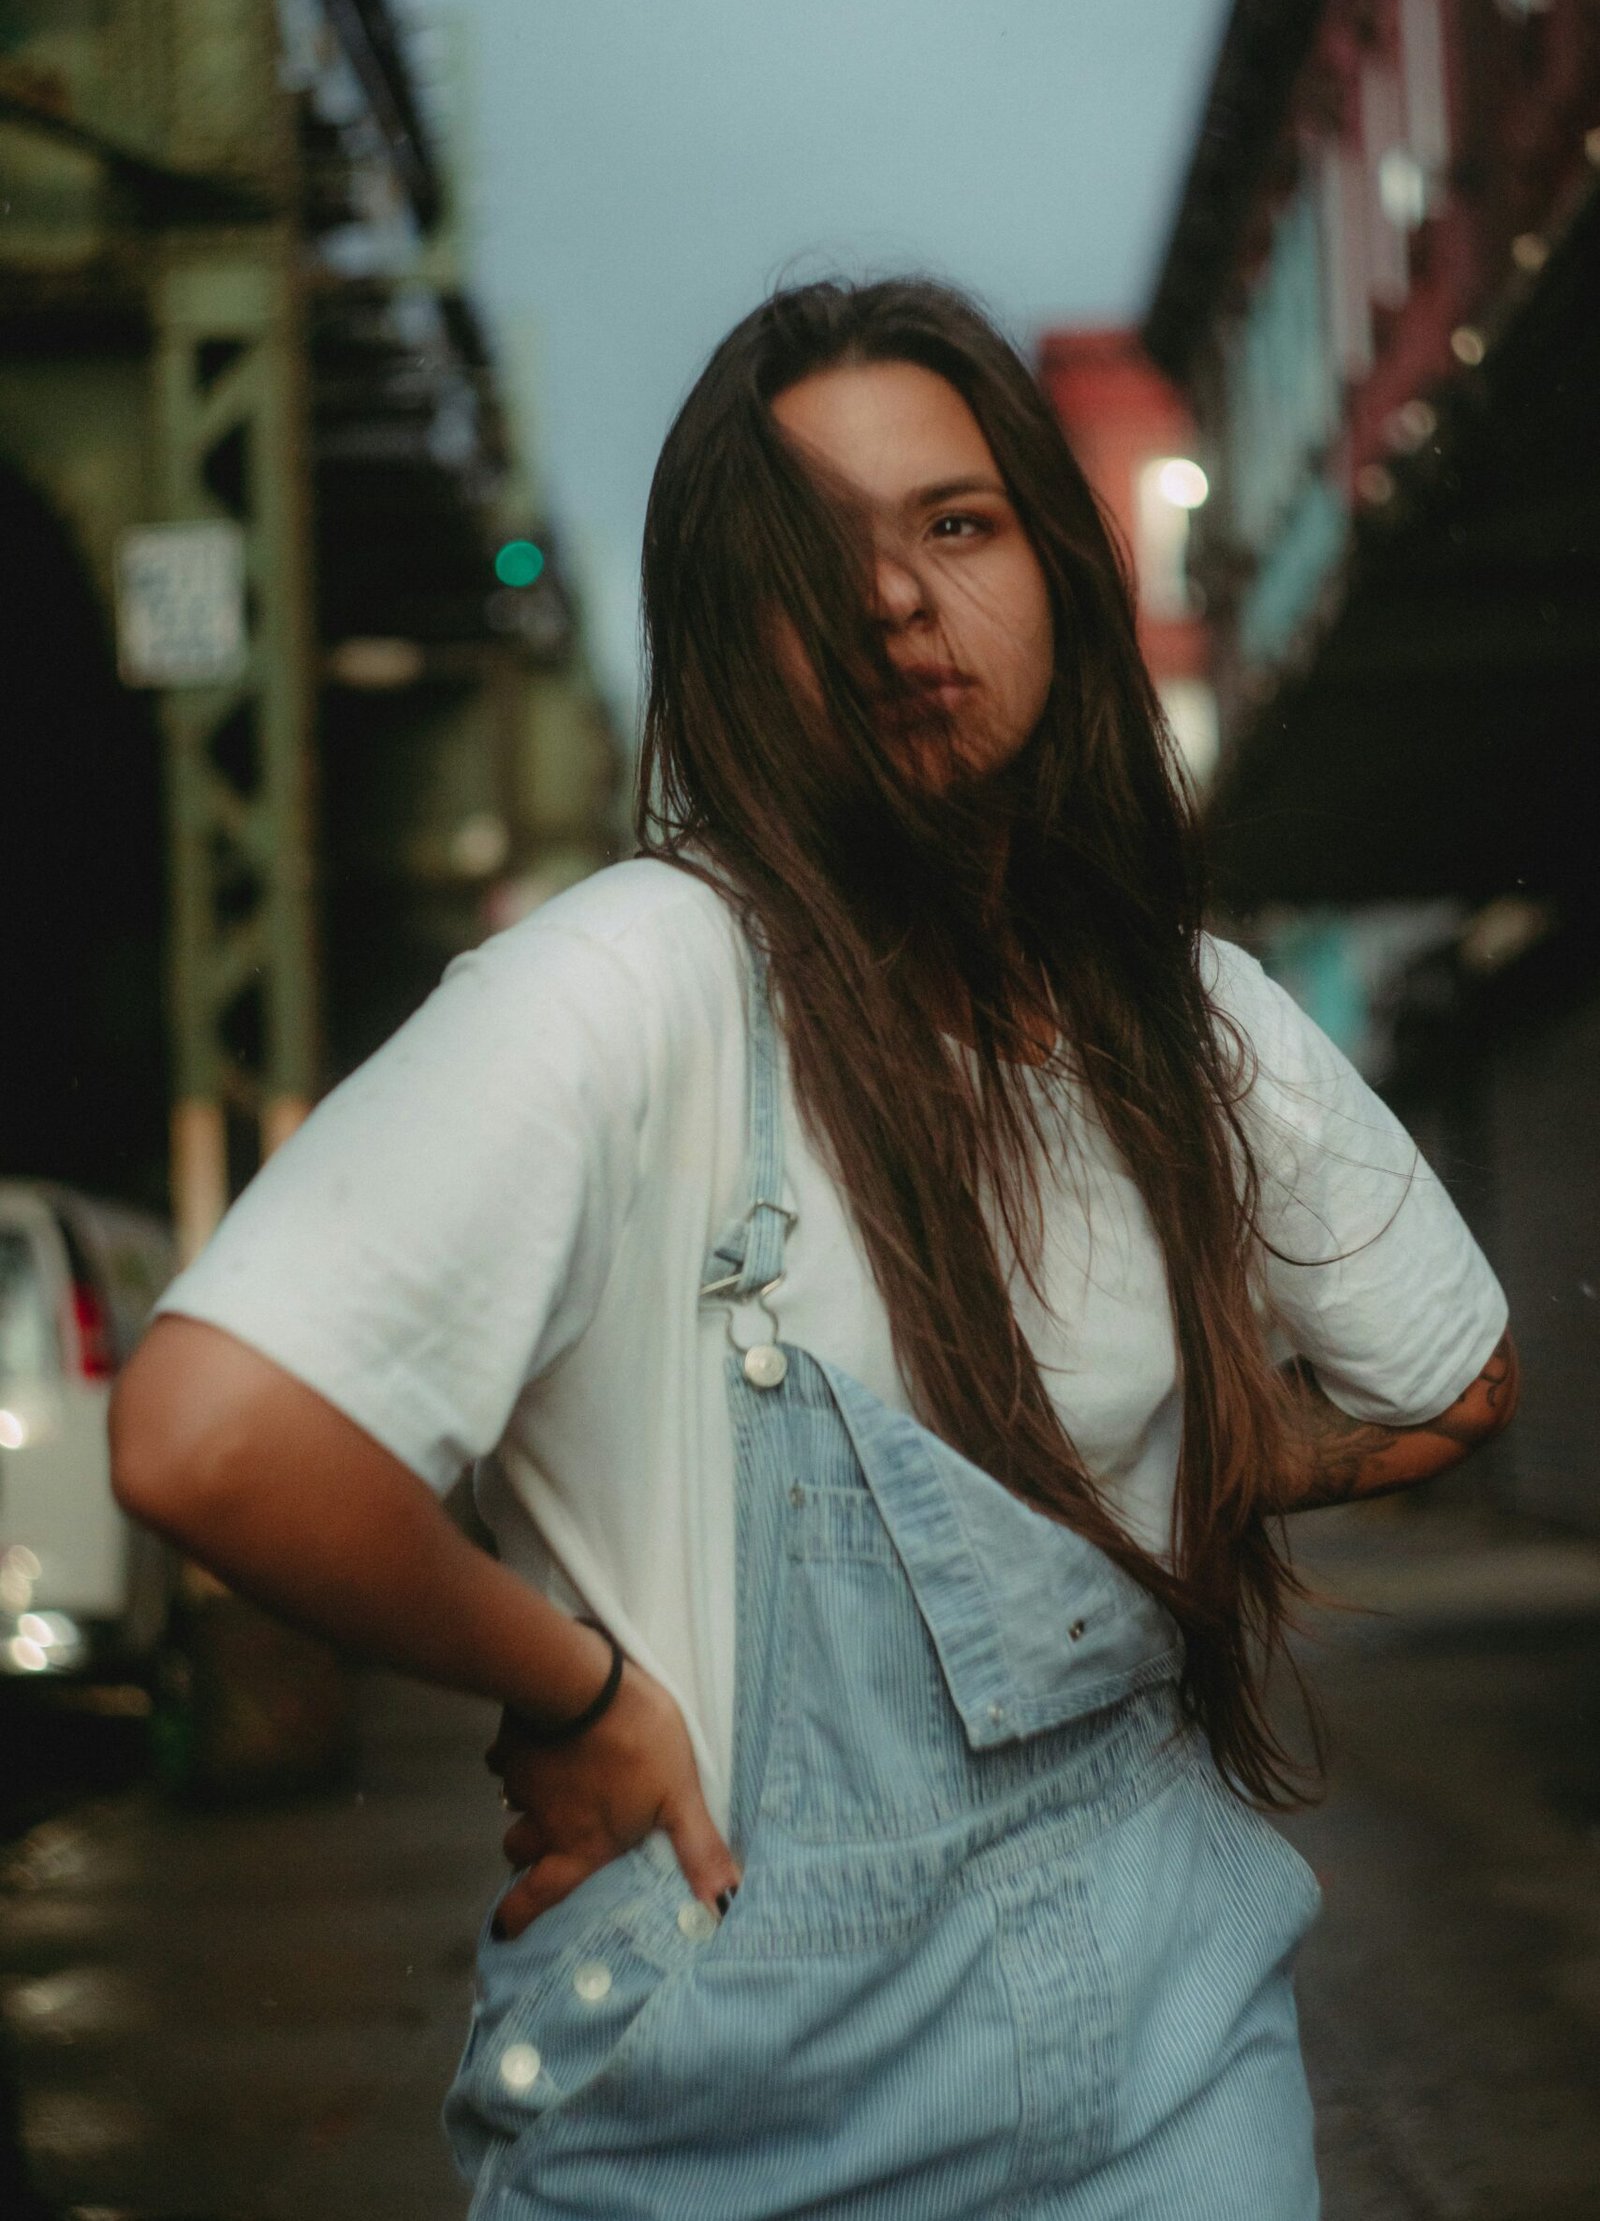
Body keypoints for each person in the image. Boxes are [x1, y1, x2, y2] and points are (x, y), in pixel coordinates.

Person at [111, 278, 1516, 2219]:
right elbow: (208, 1430)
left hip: (1174, 2058)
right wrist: (580, 1689)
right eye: (813, 554)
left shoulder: (1175, 1012)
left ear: (1056, 568)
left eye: (955, 521)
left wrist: (1167, 1455)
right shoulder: (641, 976)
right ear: (713, 632)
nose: (892, 602)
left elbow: (1448, 1378)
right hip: (741, 2106)